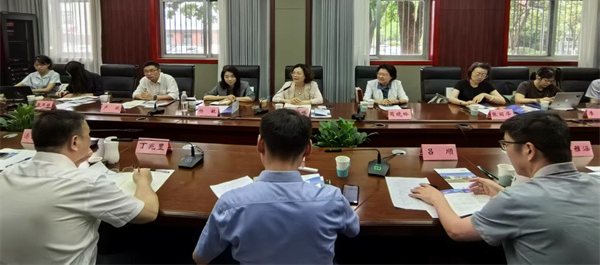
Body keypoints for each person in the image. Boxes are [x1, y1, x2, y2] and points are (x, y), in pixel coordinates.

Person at [410, 112, 600, 265]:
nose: (505, 150)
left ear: (529, 150)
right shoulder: (596, 183)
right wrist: (501, 190)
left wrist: (436, 197)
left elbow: (457, 231)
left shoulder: (519, 198)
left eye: (505, 145)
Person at [192, 109, 359, 264]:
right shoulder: (332, 199)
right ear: (308, 148)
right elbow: (354, 230)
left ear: (260, 144)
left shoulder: (229, 204)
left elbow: (200, 258)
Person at [0, 110, 159, 264]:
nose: (90, 140)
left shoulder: (6, 174)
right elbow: (148, 213)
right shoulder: (86, 183)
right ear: (75, 142)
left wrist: (75, 160)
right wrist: (143, 181)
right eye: (88, 135)